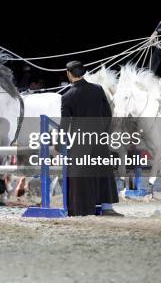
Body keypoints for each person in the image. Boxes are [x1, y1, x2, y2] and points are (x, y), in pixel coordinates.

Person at [60, 61, 122, 216]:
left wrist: (60, 143)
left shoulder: (67, 96)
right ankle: (107, 207)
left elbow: (65, 124)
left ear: (68, 73)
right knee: (103, 173)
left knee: (80, 176)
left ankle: (82, 209)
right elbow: (108, 114)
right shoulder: (98, 89)